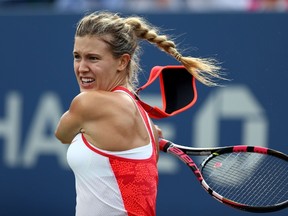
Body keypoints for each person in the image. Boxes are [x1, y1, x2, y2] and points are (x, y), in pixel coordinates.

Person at [54, 11, 224, 216]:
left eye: (93, 58)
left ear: (122, 62)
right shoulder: (145, 121)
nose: (81, 67)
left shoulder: (88, 103)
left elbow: (62, 134)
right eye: (77, 56)